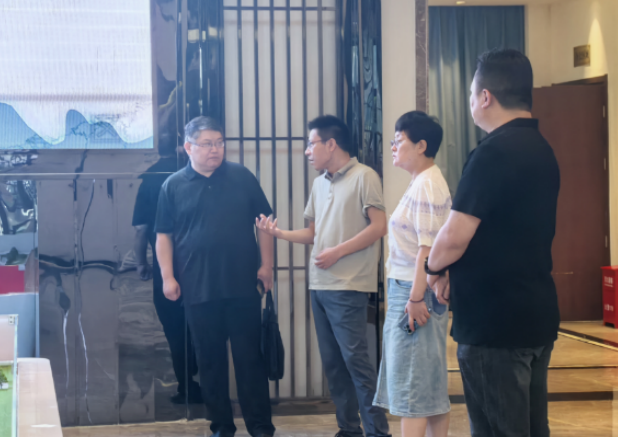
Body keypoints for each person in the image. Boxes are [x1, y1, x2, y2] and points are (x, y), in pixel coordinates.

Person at [425, 48, 561, 437]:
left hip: (494, 322)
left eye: (472, 93)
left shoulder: (492, 153)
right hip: (534, 312)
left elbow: (455, 235)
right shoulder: (543, 150)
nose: (471, 101)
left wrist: (433, 268)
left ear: (485, 97)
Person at [256, 115, 390, 438]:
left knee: (356, 362)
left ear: (331, 144)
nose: (307, 151)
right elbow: (313, 234)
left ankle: (378, 432)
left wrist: (337, 252)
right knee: (333, 363)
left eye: (311, 143)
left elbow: (379, 226)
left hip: (348, 286)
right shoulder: (319, 183)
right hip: (319, 285)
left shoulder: (365, 176)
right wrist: (278, 234)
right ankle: (348, 428)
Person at [155, 116, 276, 437]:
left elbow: (265, 223)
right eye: (207, 144)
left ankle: (261, 427)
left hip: (242, 286)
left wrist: (266, 265)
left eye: (220, 143)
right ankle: (221, 426)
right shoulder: (173, 185)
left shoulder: (241, 176)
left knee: (250, 360)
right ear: (188, 147)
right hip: (197, 288)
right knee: (210, 363)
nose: (215, 150)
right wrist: (168, 277)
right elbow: (163, 236)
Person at [373, 111, 451, 437]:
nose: (393, 147)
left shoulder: (427, 184)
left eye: (399, 140)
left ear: (421, 146)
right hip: (413, 289)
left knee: (412, 388)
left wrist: (416, 298)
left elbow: (426, 250)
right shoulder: (423, 181)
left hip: (414, 291)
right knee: (427, 386)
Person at [131, 155, 203, 406]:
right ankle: (211, 385)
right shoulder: (197, 176)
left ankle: (187, 385)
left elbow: (141, 230)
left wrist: (141, 263)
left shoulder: (148, 181)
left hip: (166, 272)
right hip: (201, 270)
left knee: (175, 332)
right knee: (206, 329)